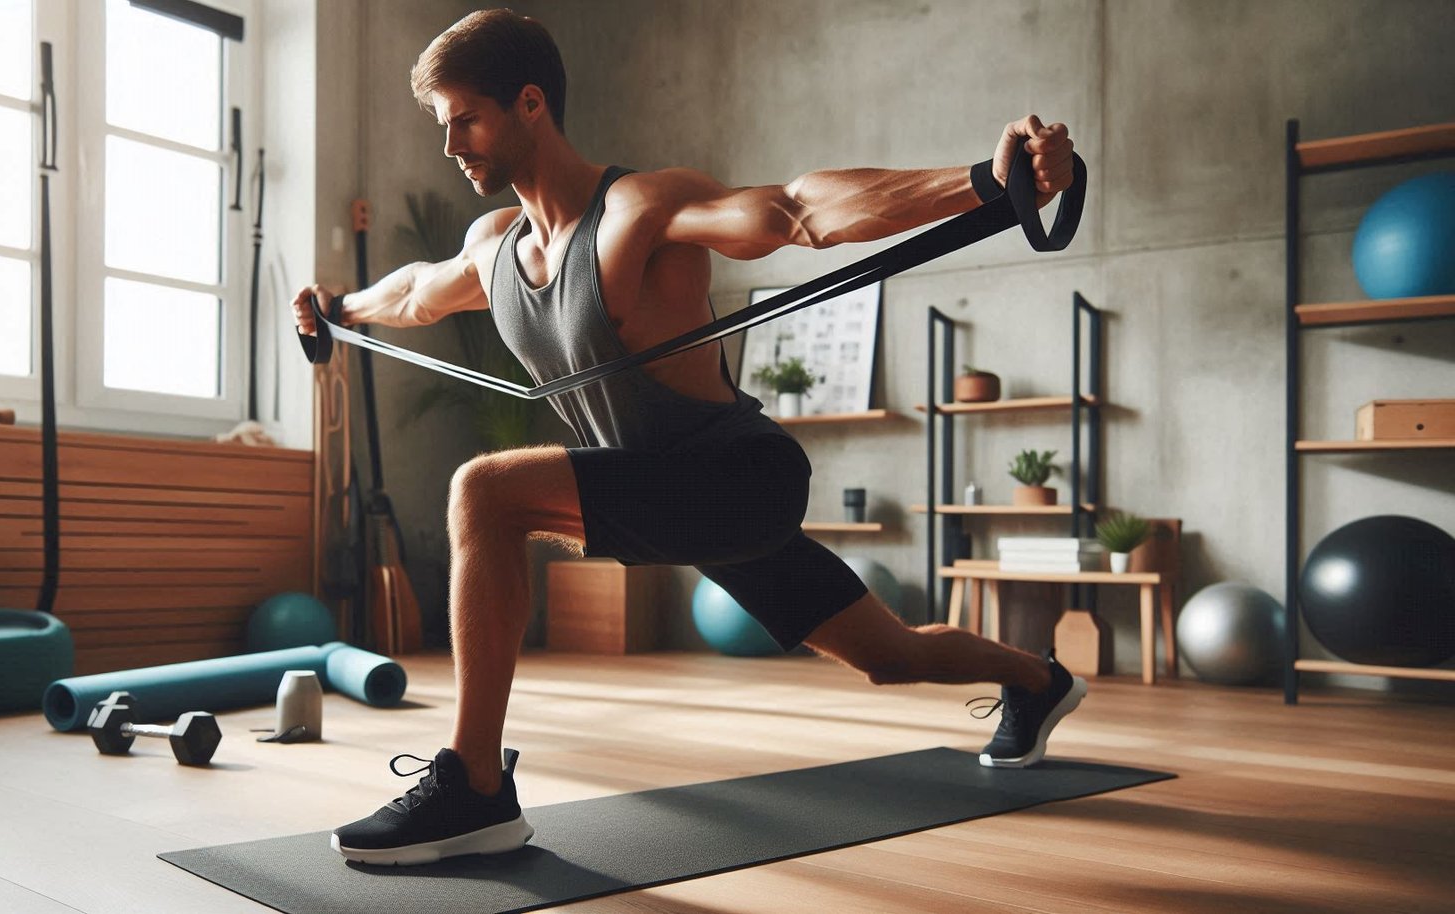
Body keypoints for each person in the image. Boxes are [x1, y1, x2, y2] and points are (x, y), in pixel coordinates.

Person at [293, 9, 1082, 867]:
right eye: (443, 125)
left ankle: (476, 785)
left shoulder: (638, 211)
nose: (452, 146)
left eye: (466, 119)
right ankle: (1041, 681)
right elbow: (413, 293)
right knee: (890, 656)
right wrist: (340, 310)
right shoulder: (495, 249)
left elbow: (795, 211)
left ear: (530, 104)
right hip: (666, 491)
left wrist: (984, 181)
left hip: (741, 479)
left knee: (483, 492)